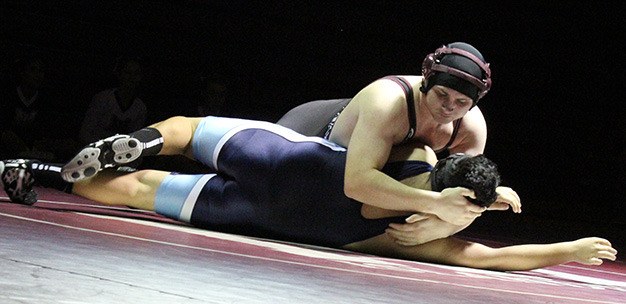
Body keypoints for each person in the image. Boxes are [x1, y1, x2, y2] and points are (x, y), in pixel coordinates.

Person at [0, 116, 616, 271]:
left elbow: (450, 168)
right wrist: (567, 249)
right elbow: (489, 257)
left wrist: (490, 190)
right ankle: (48, 173)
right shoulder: (402, 235)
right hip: (248, 211)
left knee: (187, 131)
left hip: (286, 158)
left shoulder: (419, 157)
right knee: (133, 190)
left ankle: (56, 164)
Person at [276, 42, 520, 235]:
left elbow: (467, 192)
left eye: (461, 102)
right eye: (442, 94)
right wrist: (435, 204)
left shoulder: (471, 126)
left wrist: (444, 226)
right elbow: (356, 184)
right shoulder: (388, 102)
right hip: (304, 135)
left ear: (474, 103)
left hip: (361, 173)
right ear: (426, 82)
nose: (448, 107)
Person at [78, 56, 147, 144]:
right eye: (128, 73)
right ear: (119, 74)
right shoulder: (103, 99)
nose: (132, 77)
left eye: (136, 73)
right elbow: (85, 133)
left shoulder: (140, 108)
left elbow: (134, 140)